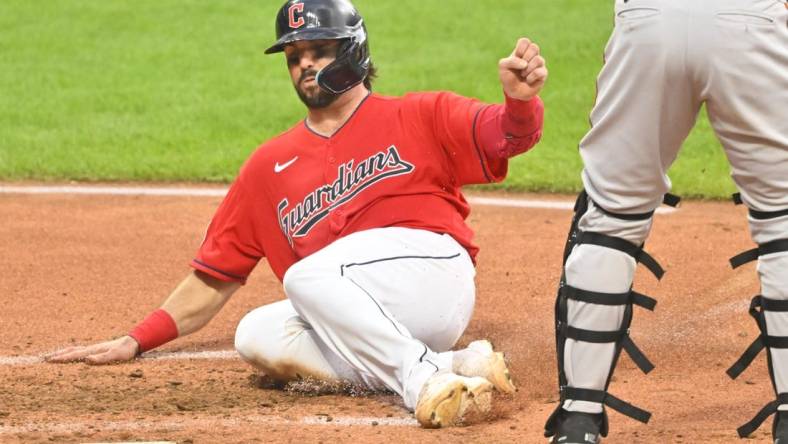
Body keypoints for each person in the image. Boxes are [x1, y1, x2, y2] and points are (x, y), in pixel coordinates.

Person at [47, 0, 548, 428]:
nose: (305, 64)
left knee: (307, 276)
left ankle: (422, 378)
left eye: (319, 50)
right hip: (358, 310)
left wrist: (520, 102)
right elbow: (215, 274)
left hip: (433, 279)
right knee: (257, 335)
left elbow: (503, 135)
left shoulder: (418, 113)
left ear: (354, 49)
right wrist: (137, 339)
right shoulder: (268, 166)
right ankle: (454, 364)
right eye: (294, 55)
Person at [543, 0, 788, 442]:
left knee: (612, 216)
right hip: (752, 18)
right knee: (783, 220)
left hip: (649, 19)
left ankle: (579, 418)